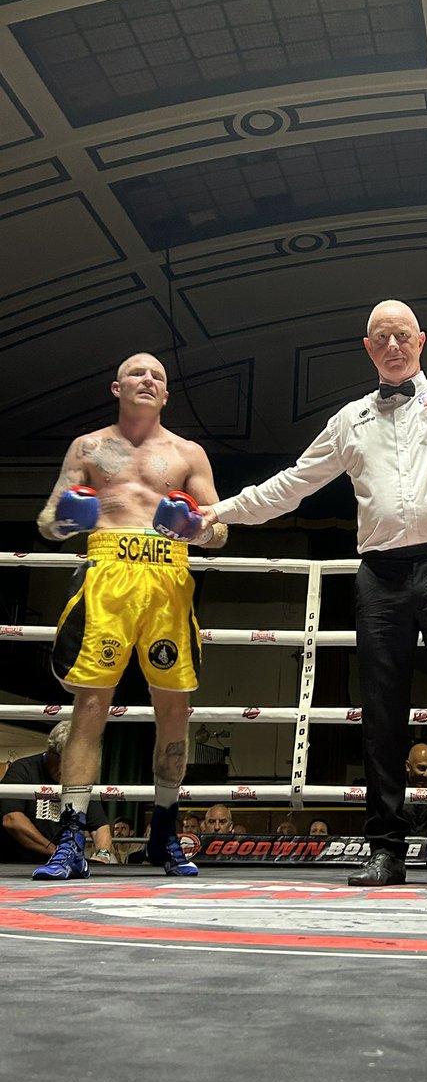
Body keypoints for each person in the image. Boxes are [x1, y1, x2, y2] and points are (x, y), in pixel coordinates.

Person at [196, 223, 427, 890]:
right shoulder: (349, 420)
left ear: (421, 342)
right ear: (368, 348)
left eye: (402, 333)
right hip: (380, 573)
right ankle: (385, 848)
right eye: (380, 335)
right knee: (380, 713)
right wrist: (221, 511)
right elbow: (292, 486)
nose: (391, 343)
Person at [31, 352, 228, 882]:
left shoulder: (188, 453)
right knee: (89, 706)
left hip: (167, 582)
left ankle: (164, 833)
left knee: (174, 711)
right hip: (107, 581)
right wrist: (69, 519)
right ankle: (72, 834)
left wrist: (196, 529)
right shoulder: (89, 448)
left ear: (166, 395)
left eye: (158, 377)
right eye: (138, 373)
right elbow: (49, 521)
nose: (148, 380)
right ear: (115, 387)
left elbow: (220, 529)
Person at [0, 721, 112, 864]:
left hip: (62, 867)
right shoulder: (23, 770)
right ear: (52, 752)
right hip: (18, 865)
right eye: (66, 761)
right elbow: (11, 820)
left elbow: (99, 825)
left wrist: (103, 854)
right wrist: (58, 852)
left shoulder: (80, 777)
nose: (70, 769)